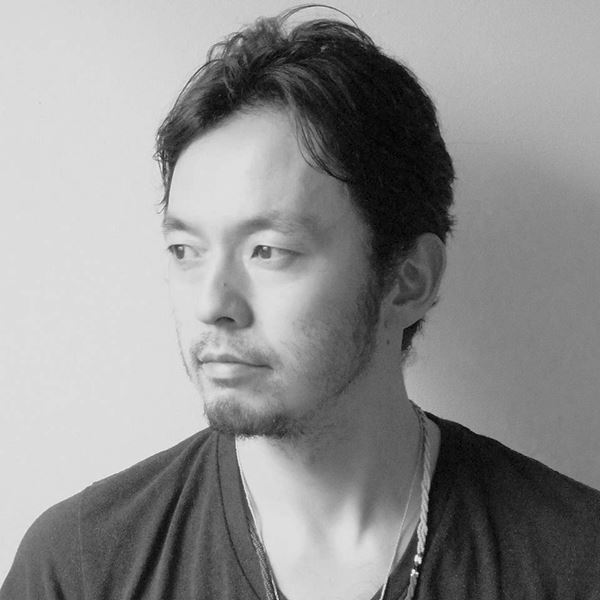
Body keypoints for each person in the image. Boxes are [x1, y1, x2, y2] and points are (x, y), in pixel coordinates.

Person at [2, 6, 599, 600]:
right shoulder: (80, 568)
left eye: (267, 251)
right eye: (186, 250)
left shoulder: (574, 563)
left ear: (407, 280)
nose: (212, 303)